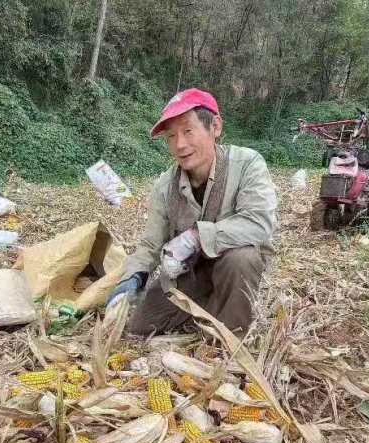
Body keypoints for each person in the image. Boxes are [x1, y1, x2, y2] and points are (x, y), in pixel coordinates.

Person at [106, 88, 277, 337]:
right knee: (140, 326)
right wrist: (132, 278)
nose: (180, 144)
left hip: (232, 268)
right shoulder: (165, 186)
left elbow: (259, 224)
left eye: (188, 131)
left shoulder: (248, 164)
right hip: (191, 273)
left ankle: (231, 338)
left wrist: (196, 237)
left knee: (242, 258)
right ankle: (211, 306)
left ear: (215, 127)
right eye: (171, 136)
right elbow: (150, 245)